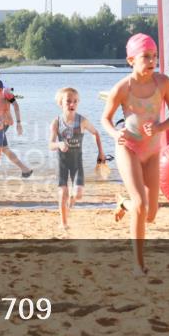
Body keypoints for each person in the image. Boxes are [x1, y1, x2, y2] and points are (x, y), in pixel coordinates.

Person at [101, 33, 169, 275]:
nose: (151, 61)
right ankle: (138, 264)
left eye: (154, 56)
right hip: (129, 147)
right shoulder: (122, 88)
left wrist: (158, 128)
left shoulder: (163, 83)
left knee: (151, 214)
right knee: (141, 205)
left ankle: (122, 203)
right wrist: (115, 134)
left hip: (153, 150)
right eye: (146, 56)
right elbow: (105, 119)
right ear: (131, 60)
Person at [49, 87, 105, 230]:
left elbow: (96, 133)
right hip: (62, 163)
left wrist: (101, 153)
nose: (71, 104)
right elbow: (50, 145)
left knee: (78, 194)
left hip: (76, 163)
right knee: (62, 192)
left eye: (75, 101)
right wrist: (59, 144)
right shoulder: (56, 122)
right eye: (68, 101)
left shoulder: (82, 121)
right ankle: (63, 223)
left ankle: (72, 201)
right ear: (60, 103)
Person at [0, 69, 33, 178]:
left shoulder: (4, 91)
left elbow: (16, 105)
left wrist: (19, 123)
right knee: (4, 149)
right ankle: (25, 170)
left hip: (1, 123)